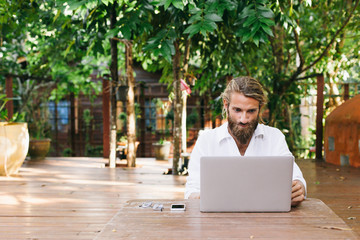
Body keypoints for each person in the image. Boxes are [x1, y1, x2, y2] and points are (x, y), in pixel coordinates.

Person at [185, 76, 306, 206]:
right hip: (218, 221)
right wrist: (202, 198)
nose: (243, 119)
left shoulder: (274, 137)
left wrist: (299, 188)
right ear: (226, 105)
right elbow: (192, 190)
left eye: (251, 111)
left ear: (260, 108)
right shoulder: (207, 141)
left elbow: (295, 177)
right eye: (237, 110)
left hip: (267, 220)